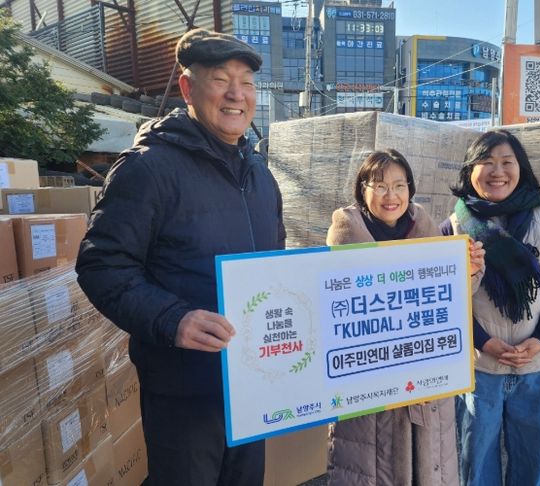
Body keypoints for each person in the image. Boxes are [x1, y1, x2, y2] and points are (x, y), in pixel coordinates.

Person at [76, 29, 285, 486]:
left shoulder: (260, 176)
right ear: (188, 89)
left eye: (246, 83)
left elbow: (277, 266)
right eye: (221, 80)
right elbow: (101, 264)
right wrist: (174, 319)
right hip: (184, 390)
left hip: (252, 384)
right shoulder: (148, 168)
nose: (236, 94)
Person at [325, 149, 485, 486]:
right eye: (380, 186)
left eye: (400, 185)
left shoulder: (425, 227)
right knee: (375, 470)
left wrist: (468, 271)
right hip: (371, 394)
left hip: (426, 390)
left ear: (410, 189)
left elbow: (445, 302)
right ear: (362, 189)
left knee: (428, 469)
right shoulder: (346, 231)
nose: (391, 196)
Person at [440, 129, 540, 486]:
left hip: (539, 367)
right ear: (470, 171)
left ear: (521, 168)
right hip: (479, 369)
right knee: (476, 467)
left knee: (533, 467)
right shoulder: (453, 228)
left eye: (506, 162)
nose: (497, 171)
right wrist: (484, 342)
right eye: (486, 162)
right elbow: (447, 301)